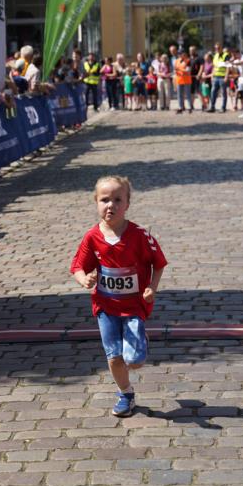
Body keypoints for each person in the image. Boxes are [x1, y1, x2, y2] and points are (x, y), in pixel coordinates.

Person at [70, 176, 167, 417]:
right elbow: (78, 266)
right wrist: (83, 279)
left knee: (134, 361)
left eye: (117, 200)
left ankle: (141, 340)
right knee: (114, 357)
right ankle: (126, 394)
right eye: (104, 200)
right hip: (105, 305)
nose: (110, 205)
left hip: (133, 305)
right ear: (96, 202)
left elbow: (159, 263)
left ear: (127, 204)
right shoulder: (92, 237)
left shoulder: (140, 235)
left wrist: (152, 287)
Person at [208, 42, 231, 112]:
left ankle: (223, 107)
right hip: (215, 76)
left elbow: (228, 66)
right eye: (216, 48)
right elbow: (214, 66)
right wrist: (212, 75)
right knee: (213, 92)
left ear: (221, 48)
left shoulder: (225, 55)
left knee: (223, 93)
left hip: (222, 77)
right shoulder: (215, 56)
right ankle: (212, 107)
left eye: (218, 48)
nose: (217, 49)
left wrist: (226, 76)